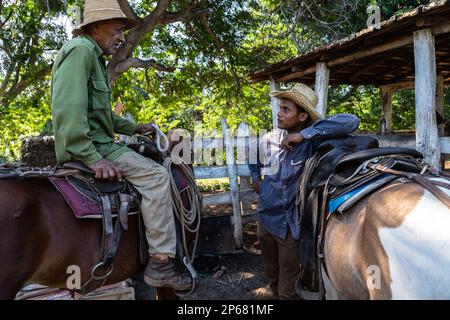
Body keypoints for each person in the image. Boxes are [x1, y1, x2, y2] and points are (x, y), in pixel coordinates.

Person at [50, 0, 191, 290]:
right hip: (96, 147)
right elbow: (69, 110)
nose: (121, 38)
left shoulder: (93, 56)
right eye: (116, 30)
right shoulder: (80, 51)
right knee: (156, 176)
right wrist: (91, 157)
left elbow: (98, 114)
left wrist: (134, 127)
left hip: (99, 142)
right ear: (96, 27)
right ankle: (161, 263)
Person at [248, 83, 359, 299]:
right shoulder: (268, 139)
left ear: (302, 117)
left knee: (288, 287)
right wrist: (256, 180)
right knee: (272, 275)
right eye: (280, 108)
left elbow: (351, 121)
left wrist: (305, 135)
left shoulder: (312, 142)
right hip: (265, 220)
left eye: (285, 109)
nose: (279, 114)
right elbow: (252, 156)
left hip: (289, 225)